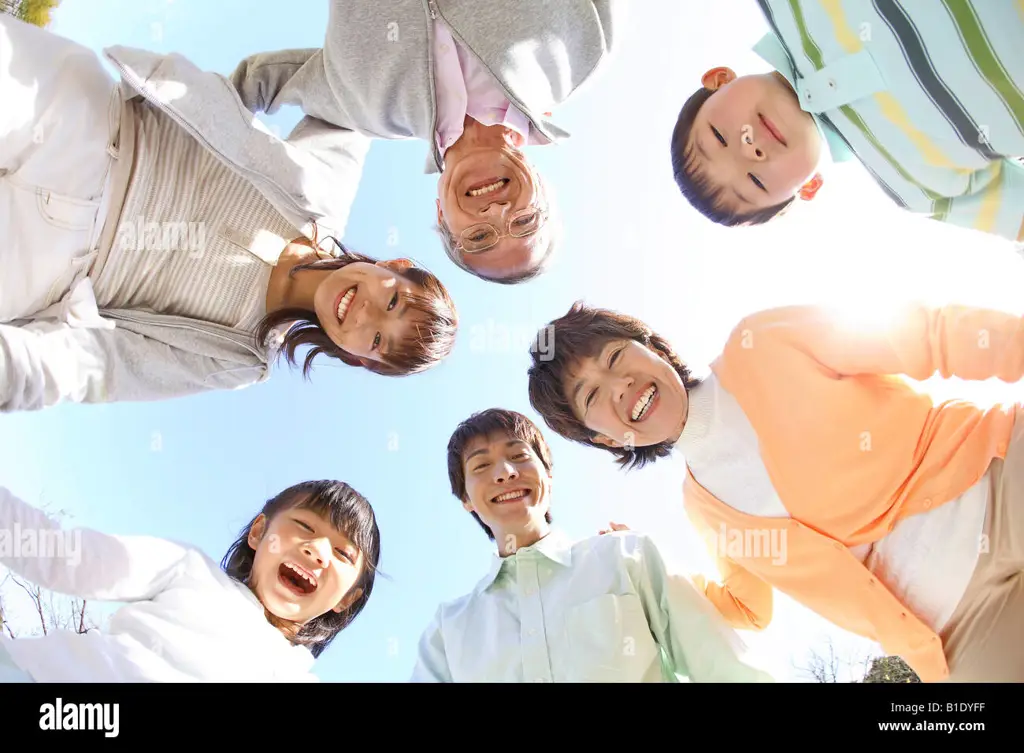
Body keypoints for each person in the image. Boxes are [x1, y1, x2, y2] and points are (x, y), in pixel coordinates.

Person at [526, 299, 1024, 683]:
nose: (620, 384)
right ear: (605, 439)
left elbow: (929, 335)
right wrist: (645, 562)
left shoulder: (760, 343)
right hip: (962, 631)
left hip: (1000, 480)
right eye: (591, 394)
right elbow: (748, 608)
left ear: (653, 348)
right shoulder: (703, 509)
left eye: (615, 355)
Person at [0, 16, 458, 413]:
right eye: (393, 301)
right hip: (90, 126)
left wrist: (14, 372)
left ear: (359, 359)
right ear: (395, 268)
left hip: (50, 262)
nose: (364, 316)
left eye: (376, 341)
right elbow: (354, 95)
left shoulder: (240, 358)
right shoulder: (326, 190)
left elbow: (102, 365)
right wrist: (239, 90)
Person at [228, 0, 626, 284]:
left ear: (441, 215)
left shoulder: (368, 112)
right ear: (542, 186)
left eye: (480, 235)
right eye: (524, 221)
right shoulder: (585, 51)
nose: (498, 212)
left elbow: (264, 81)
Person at [409, 407, 774, 683]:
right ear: (466, 500)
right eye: (481, 466)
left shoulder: (626, 556)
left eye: (519, 455)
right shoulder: (448, 629)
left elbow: (725, 666)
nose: (504, 472)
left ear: (549, 476)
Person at [669, 0, 1024, 243]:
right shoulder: (914, 189)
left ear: (719, 79)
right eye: (756, 182)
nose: (751, 150)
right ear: (808, 189)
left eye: (718, 136)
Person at [0, 479, 381, 682]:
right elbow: (65, 557)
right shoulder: (188, 569)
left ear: (346, 598)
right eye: (303, 526)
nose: (317, 551)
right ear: (259, 532)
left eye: (343, 553)